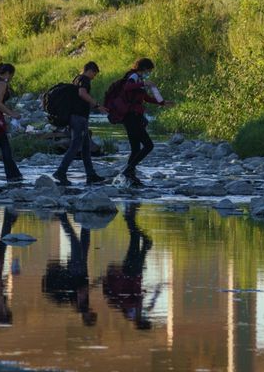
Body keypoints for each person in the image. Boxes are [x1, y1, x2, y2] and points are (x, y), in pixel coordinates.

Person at [115, 58, 168, 187]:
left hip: (133, 117)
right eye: (148, 70)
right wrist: (144, 83)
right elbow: (127, 87)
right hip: (131, 117)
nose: (149, 73)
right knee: (149, 145)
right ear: (143, 68)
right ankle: (128, 171)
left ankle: (130, 176)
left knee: (135, 149)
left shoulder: (138, 79)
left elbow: (145, 98)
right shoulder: (133, 76)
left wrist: (162, 103)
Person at [53, 61, 107, 187]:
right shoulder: (84, 79)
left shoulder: (76, 79)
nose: (94, 77)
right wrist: (97, 105)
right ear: (90, 70)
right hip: (78, 118)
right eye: (94, 74)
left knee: (86, 147)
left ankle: (91, 175)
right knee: (75, 145)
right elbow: (82, 93)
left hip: (76, 117)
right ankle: (60, 171)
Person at [103, 203, 154, 330]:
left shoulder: (130, 309)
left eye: (145, 319)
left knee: (139, 241)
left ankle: (129, 215)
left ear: (141, 321)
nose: (145, 316)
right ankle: (130, 215)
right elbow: (136, 292)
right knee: (138, 241)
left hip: (131, 272)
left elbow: (127, 290)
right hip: (134, 273)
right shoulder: (132, 311)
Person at [42, 212, 97, 327]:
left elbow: (81, 289)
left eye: (91, 316)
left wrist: (93, 285)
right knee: (83, 243)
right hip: (80, 271)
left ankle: (64, 217)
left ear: (86, 317)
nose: (92, 312)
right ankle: (84, 218)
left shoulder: (80, 305)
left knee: (77, 243)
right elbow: (83, 289)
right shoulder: (79, 305)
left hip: (76, 271)